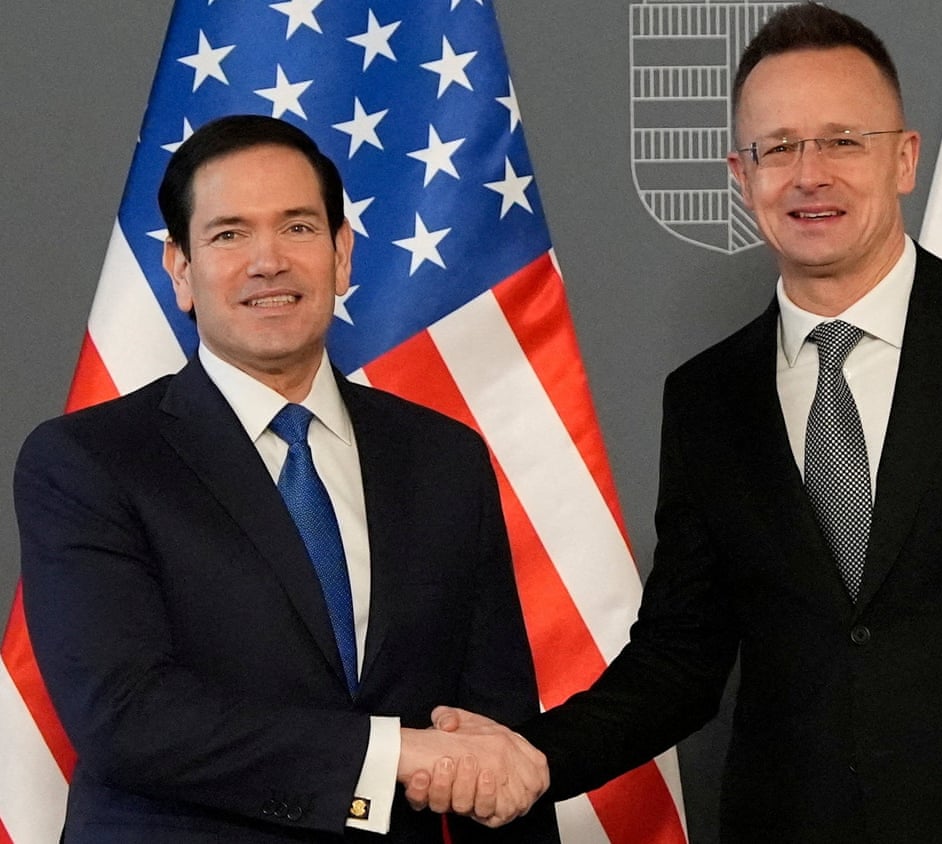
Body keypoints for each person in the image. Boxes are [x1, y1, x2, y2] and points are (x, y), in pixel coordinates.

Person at [413, 4, 942, 841]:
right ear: (740, 177)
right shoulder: (707, 398)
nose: (809, 172)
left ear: (904, 159)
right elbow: (681, 660)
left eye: (843, 140)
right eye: (777, 147)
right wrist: (532, 755)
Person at [15, 114, 557, 843]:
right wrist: (391, 754)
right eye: (229, 234)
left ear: (341, 255)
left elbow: (492, 734)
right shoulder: (91, 461)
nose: (267, 261)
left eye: (298, 228)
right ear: (180, 270)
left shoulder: (443, 459)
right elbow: (126, 716)